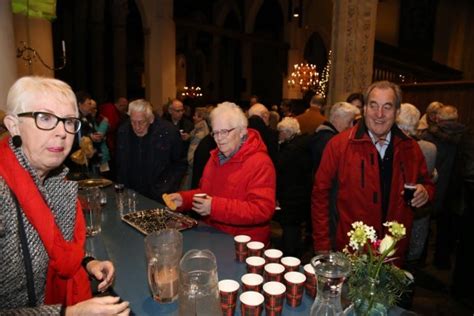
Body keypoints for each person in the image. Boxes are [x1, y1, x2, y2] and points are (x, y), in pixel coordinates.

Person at [0, 76, 129, 314]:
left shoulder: (59, 179)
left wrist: (87, 262)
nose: (62, 132)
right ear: (13, 124)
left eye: (69, 121)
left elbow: (57, 245)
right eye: (45, 118)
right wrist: (70, 314)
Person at [311, 81, 435, 264]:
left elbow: (427, 184)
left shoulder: (411, 148)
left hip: (392, 254)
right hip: (350, 253)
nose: (379, 114)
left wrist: (425, 193)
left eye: (387, 107)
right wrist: (322, 245)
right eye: (373, 105)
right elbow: (320, 196)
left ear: (397, 112)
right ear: (364, 110)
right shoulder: (339, 145)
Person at [167, 102, 276, 244]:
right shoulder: (215, 157)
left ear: (242, 131)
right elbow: (206, 192)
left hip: (243, 246)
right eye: (215, 132)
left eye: (224, 131)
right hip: (215, 238)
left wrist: (214, 207)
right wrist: (185, 200)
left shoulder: (260, 162)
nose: (219, 138)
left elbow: (262, 210)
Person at [419, 105, 465, 269]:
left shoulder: (428, 137)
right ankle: (442, 262)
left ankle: (421, 262)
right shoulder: (466, 137)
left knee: (424, 227)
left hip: (432, 188)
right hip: (454, 192)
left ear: (438, 119)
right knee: (446, 230)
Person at [116, 99, 186, 203]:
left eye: (141, 122)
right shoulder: (124, 131)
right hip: (131, 194)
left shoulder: (168, 132)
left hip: (160, 195)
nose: (137, 127)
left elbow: (180, 164)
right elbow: (120, 163)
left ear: (150, 119)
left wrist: (166, 188)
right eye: (133, 122)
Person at [397, 103, 437, 263]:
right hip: (418, 211)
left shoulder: (414, 148)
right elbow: (432, 177)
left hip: (405, 207)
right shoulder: (429, 147)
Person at [275, 117, 312, 257]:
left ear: (287, 132)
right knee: (294, 228)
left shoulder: (290, 150)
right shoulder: (303, 145)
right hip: (301, 195)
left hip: (291, 196)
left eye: (280, 132)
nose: (279, 135)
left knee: (290, 228)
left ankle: (289, 256)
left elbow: (281, 170)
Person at [309, 102, 360, 173]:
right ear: (337, 118)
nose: (351, 126)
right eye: (349, 121)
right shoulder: (329, 140)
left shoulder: (323, 135)